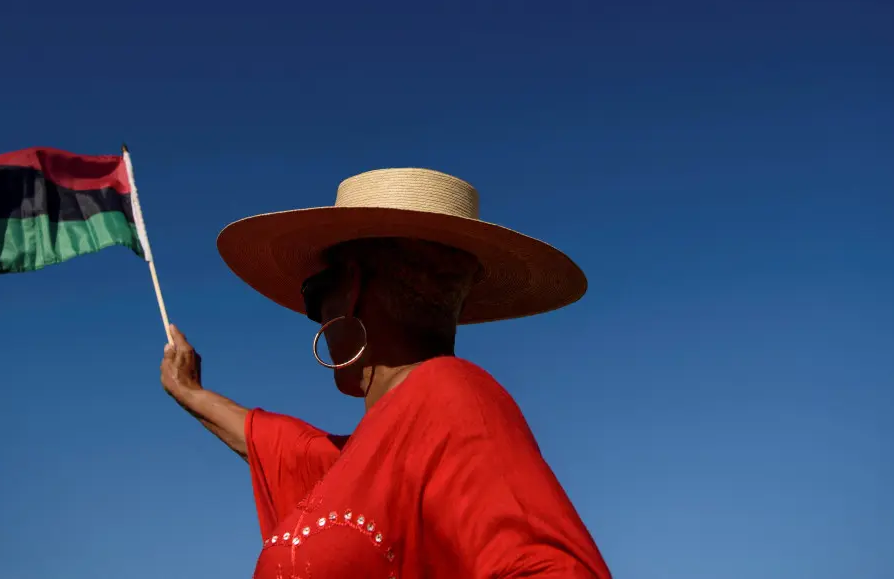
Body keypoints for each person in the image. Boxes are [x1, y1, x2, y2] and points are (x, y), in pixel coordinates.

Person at [161, 167, 611, 578]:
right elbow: (279, 443)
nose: (315, 317)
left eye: (316, 294)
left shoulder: (451, 396)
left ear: (352, 288)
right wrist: (192, 393)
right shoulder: (372, 453)